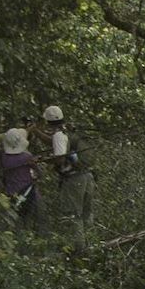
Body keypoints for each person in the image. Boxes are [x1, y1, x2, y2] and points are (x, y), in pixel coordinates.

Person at [42, 102, 93, 243]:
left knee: (73, 214)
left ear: (48, 121)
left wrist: (46, 160)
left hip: (73, 179)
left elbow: (60, 159)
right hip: (86, 174)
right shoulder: (68, 130)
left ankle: (79, 248)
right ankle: (93, 244)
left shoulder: (58, 135)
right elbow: (55, 143)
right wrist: (36, 132)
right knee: (87, 213)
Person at [0, 125, 41, 225]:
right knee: (27, 217)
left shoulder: (3, 157)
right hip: (27, 190)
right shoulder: (27, 157)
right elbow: (38, 173)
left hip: (10, 191)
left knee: (14, 217)